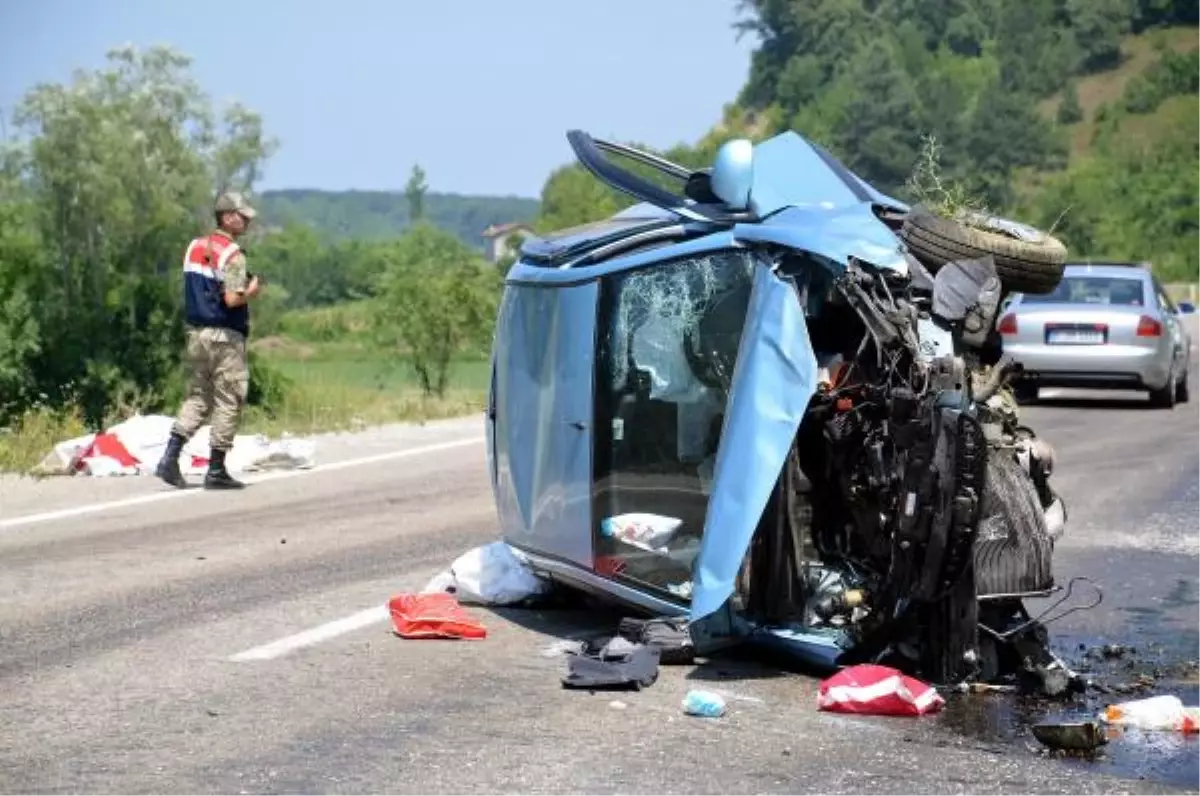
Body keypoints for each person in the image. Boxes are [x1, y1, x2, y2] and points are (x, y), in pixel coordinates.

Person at [155, 191, 263, 490]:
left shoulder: (193, 247)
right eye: (242, 216)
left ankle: (170, 456)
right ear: (227, 217)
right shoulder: (234, 254)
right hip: (225, 336)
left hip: (196, 334)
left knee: (198, 396)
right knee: (230, 396)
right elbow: (231, 298)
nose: (247, 221)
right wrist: (251, 290)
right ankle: (216, 469)